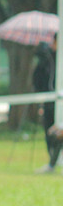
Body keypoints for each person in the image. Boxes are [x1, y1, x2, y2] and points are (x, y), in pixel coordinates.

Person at [33, 34, 59, 173]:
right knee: (50, 130)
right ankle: (52, 160)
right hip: (50, 101)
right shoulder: (47, 59)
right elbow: (38, 78)